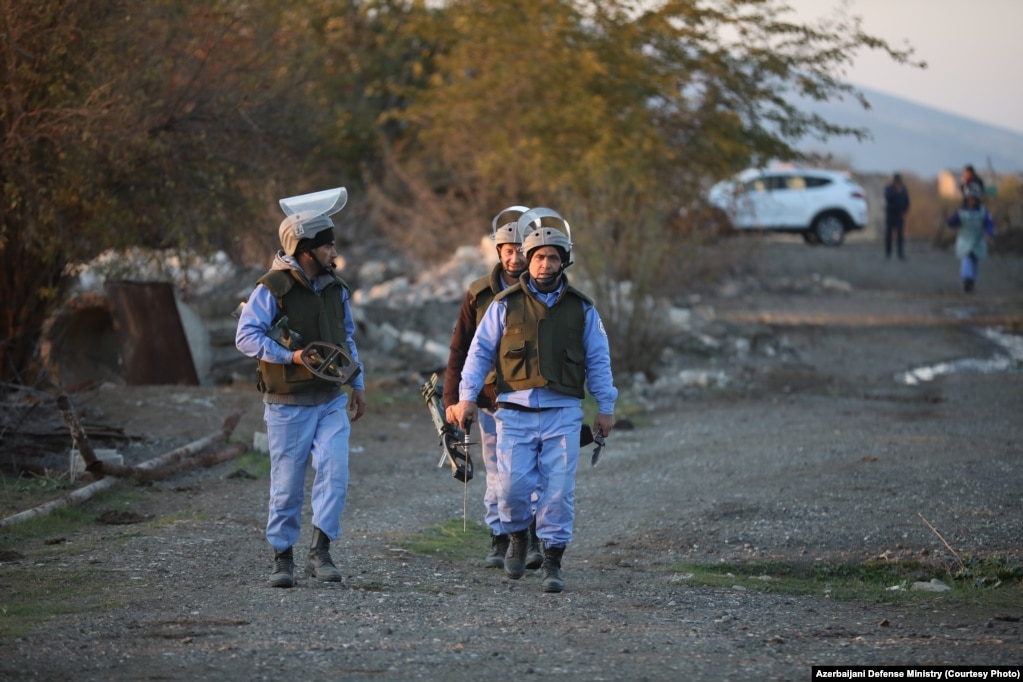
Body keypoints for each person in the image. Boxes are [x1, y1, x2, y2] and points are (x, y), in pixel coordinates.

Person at [450, 208, 617, 593]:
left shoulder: (582, 308)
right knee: (510, 488)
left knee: (558, 490)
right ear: (528, 258)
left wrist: (605, 406)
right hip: (514, 411)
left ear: (564, 261)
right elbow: (477, 354)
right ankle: (518, 537)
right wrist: (466, 398)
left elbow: (598, 359)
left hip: (563, 412)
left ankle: (553, 561)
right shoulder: (503, 304)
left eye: (553, 257)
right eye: (539, 256)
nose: (545, 264)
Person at [235, 186, 367, 588]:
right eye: (328, 246)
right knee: (287, 485)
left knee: (335, 472)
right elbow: (246, 337)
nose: (334, 252)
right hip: (287, 404)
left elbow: (347, 340)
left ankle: (320, 552)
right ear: (307, 249)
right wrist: (290, 356)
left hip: (330, 400)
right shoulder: (271, 288)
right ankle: (282, 558)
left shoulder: (336, 288)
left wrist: (357, 382)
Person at [442, 206, 544, 571]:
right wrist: (453, 399)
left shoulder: (542, 290)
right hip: (488, 398)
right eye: (508, 250)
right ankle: (501, 537)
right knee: (498, 470)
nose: (516, 258)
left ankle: (532, 538)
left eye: (522, 250)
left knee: (530, 470)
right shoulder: (478, 294)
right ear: (498, 252)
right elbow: (461, 347)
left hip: (532, 398)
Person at [946, 185, 996, 293]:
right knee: (966, 259)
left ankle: (972, 280)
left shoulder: (984, 211)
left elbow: (989, 224)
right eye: (969, 198)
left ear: (977, 199)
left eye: (973, 198)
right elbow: (952, 223)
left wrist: (989, 234)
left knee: (975, 261)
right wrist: (949, 219)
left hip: (978, 241)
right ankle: (967, 279)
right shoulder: (960, 212)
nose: (971, 200)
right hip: (964, 241)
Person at [883, 172, 910, 260]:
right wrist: (895, 191)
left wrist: (905, 209)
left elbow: (907, 200)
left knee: (900, 235)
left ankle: (900, 253)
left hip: (899, 215)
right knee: (889, 235)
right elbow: (887, 197)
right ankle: (888, 253)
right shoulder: (889, 188)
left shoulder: (904, 189)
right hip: (890, 214)